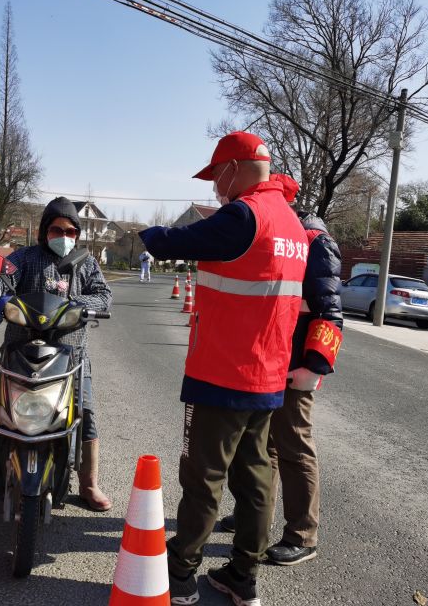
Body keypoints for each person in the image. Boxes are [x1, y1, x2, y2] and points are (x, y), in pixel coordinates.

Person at [139, 132, 309, 605]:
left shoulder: (244, 215)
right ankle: (242, 576)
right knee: (255, 478)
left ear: (234, 167)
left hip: (221, 373)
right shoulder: (293, 224)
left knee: (203, 478)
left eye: (217, 175)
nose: (216, 186)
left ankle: (180, 575)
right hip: (268, 375)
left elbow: (182, 241)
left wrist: (148, 236)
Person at [0, 197, 113, 513]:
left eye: (71, 231)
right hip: (19, 351)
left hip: (71, 357)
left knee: (87, 415)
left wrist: (79, 304)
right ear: (44, 231)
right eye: (57, 229)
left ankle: (88, 484)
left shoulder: (86, 263)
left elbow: (105, 296)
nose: (64, 236)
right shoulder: (23, 258)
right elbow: (0, 277)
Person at [218, 173, 343, 568]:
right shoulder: (278, 231)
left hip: (294, 365)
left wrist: (315, 366)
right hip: (267, 360)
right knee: (261, 447)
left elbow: (330, 311)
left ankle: (303, 535)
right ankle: (256, 518)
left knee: (294, 447)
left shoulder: (314, 239)